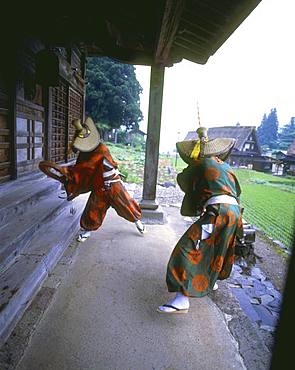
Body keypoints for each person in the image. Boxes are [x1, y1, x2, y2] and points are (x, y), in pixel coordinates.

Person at [157, 127, 243, 314]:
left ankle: (182, 299)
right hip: (234, 212)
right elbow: (237, 191)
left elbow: (184, 182)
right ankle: (210, 282)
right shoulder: (225, 166)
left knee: (187, 248)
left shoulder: (199, 166)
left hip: (219, 212)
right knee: (216, 248)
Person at [39, 117, 145, 241]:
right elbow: (81, 168)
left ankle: (137, 221)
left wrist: (68, 172)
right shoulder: (85, 153)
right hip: (99, 186)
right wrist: (68, 174)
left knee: (126, 204)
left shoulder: (101, 149)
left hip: (113, 184)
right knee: (93, 209)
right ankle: (87, 230)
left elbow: (87, 168)